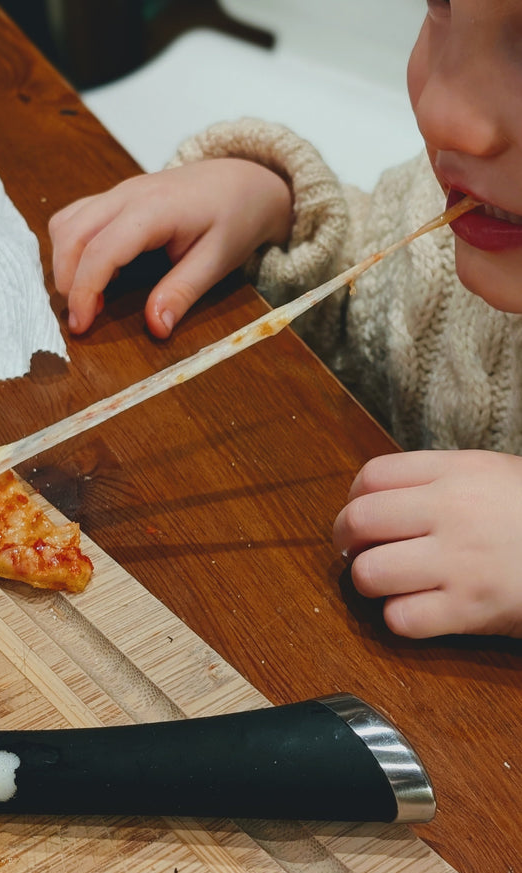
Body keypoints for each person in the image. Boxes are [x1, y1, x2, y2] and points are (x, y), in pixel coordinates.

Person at [49, 0, 522, 641]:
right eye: (439, 7)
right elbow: (382, 301)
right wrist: (279, 211)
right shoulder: (480, 214)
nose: (442, 113)